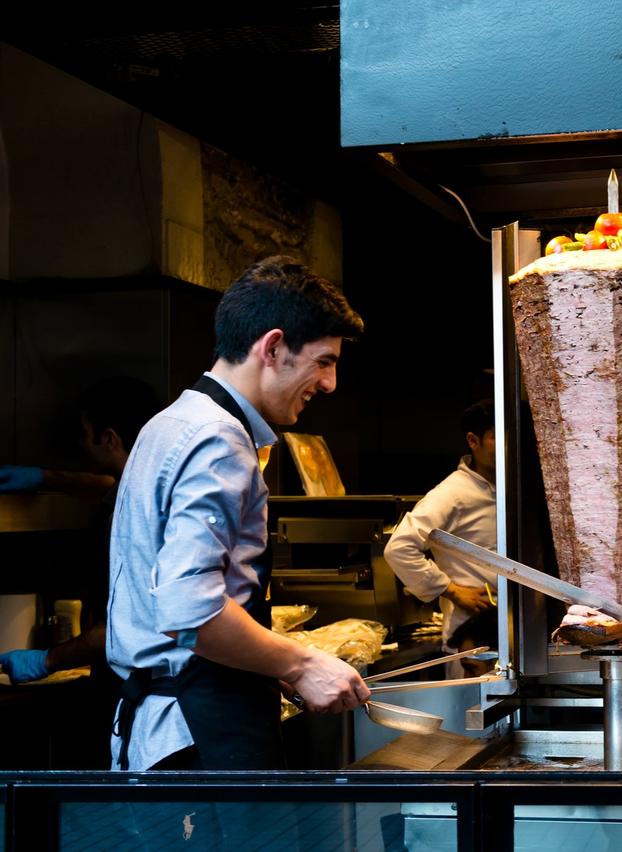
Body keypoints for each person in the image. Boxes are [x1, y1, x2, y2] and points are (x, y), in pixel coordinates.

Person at [108, 255, 371, 772]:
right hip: (196, 732)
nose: (330, 383)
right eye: (323, 360)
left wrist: (266, 663)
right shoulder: (219, 439)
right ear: (273, 348)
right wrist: (301, 663)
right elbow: (189, 610)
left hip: (165, 724)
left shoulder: (173, 420)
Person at [0, 377, 159, 767]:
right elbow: (108, 483)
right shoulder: (145, 481)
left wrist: (46, 660)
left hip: (135, 687)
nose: (78, 444)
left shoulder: (140, 513)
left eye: (84, 434)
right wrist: (47, 478)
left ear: (108, 438)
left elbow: (126, 624)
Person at [384, 400, 498, 677]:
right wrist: (451, 589)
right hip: (468, 639)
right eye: (497, 437)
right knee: (470, 717)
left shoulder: (509, 488)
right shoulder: (453, 493)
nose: (508, 447)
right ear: (473, 441)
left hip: (508, 633)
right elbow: (399, 548)